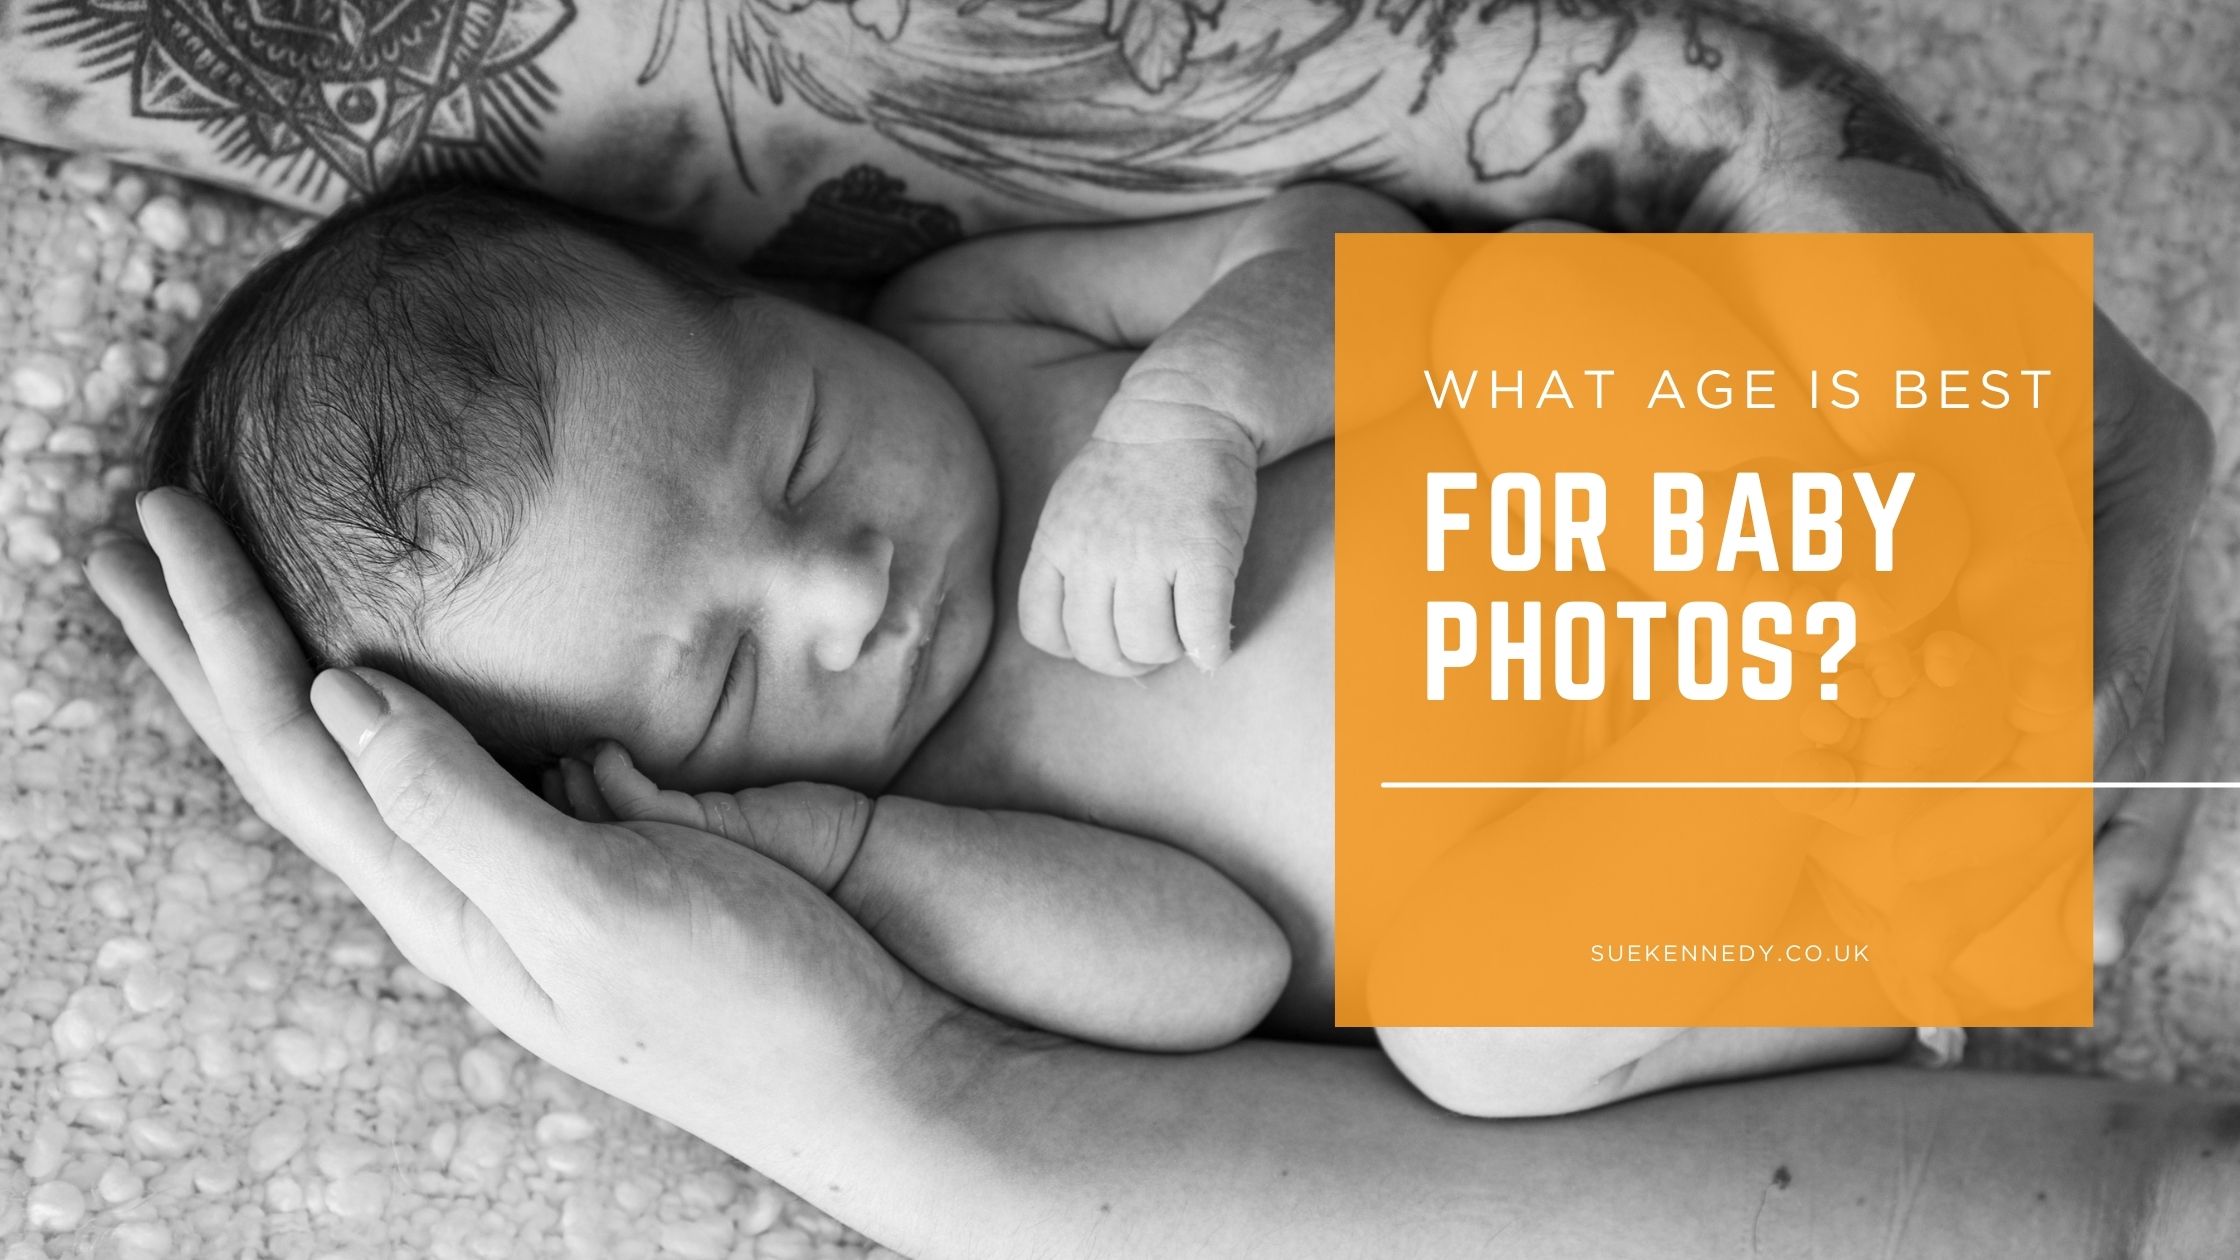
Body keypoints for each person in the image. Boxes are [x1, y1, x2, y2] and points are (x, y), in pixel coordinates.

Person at [18, 1, 2232, 1253]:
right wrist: (856, 872)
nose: (840, 582)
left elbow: (1340, 240)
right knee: (1484, 1044)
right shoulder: (927, 841)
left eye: (791, 445)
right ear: (658, 788)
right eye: (724, 670)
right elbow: (1221, 970)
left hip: (1686, 492)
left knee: (1619, 286)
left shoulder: (975, 330)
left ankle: (1974, 576)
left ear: (778, 304)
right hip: (1735, 867)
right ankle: (1924, 753)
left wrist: (1200, 407)